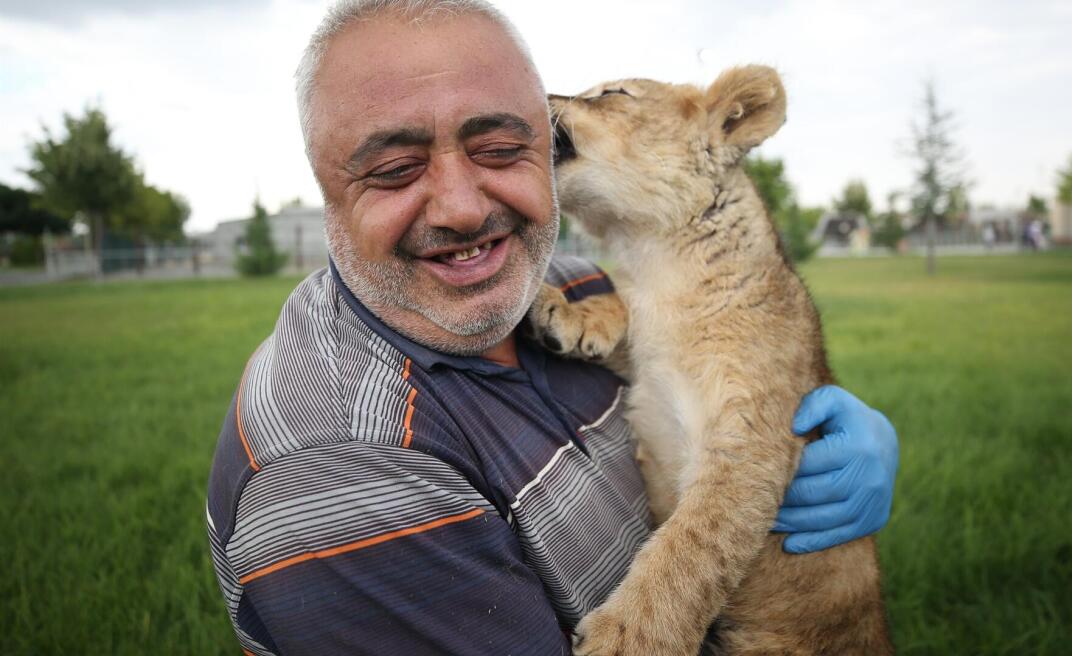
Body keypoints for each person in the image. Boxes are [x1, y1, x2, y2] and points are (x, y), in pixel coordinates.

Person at [206, 2, 900, 654]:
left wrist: (817, 420)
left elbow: (721, 370)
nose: (462, 210)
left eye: (504, 146)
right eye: (395, 168)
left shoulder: (569, 286)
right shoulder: (340, 468)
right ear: (326, 188)